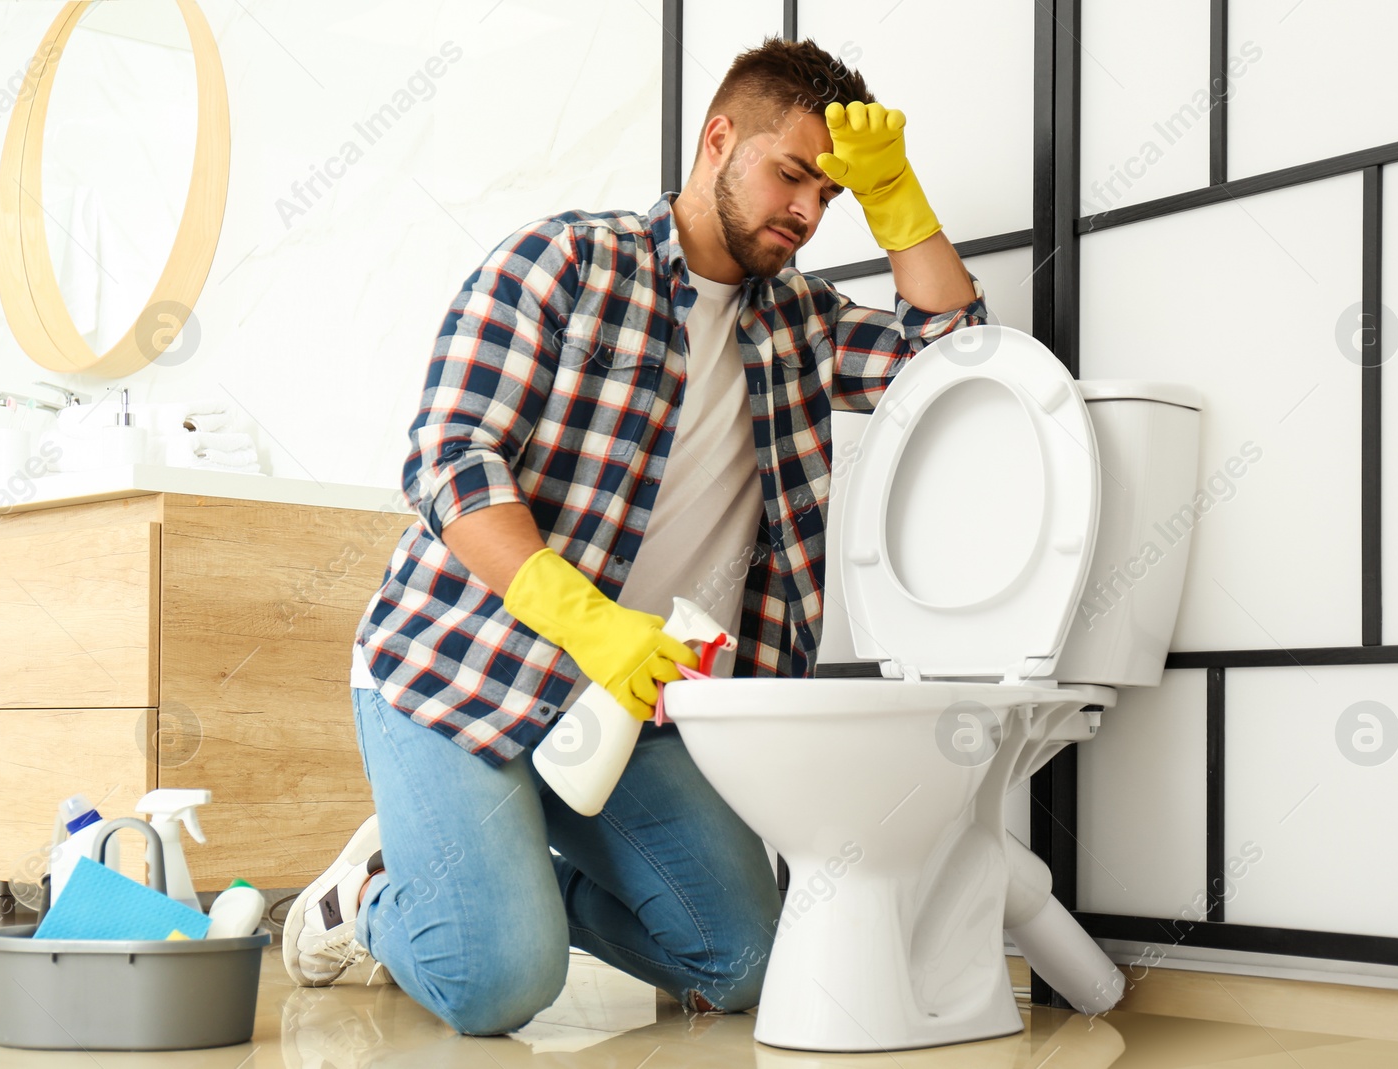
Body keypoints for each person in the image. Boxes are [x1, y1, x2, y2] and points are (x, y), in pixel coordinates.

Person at [280, 35, 989, 1035]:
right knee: (497, 985)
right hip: (459, 667)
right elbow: (450, 455)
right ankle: (375, 899)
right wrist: (583, 617)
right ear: (717, 140)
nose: (805, 212)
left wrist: (897, 196)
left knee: (744, 962)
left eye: (827, 196)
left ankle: (501, 889)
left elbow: (955, 357)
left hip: (627, 706)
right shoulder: (567, 261)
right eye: (792, 174)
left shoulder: (802, 324)